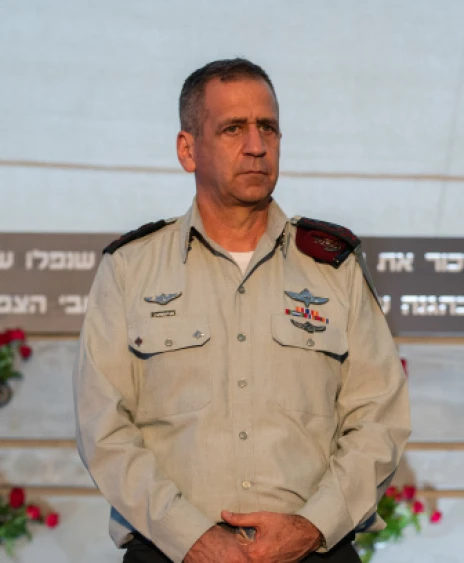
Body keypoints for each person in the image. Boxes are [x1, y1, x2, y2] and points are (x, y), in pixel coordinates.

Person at [73, 58, 410, 563]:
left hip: (313, 552)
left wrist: (312, 527)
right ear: (188, 150)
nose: (256, 145)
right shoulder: (131, 269)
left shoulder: (332, 266)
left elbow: (378, 416)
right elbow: (102, 427)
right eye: (233, 128)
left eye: (267, 128)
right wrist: (193, 537)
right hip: (172, 554)